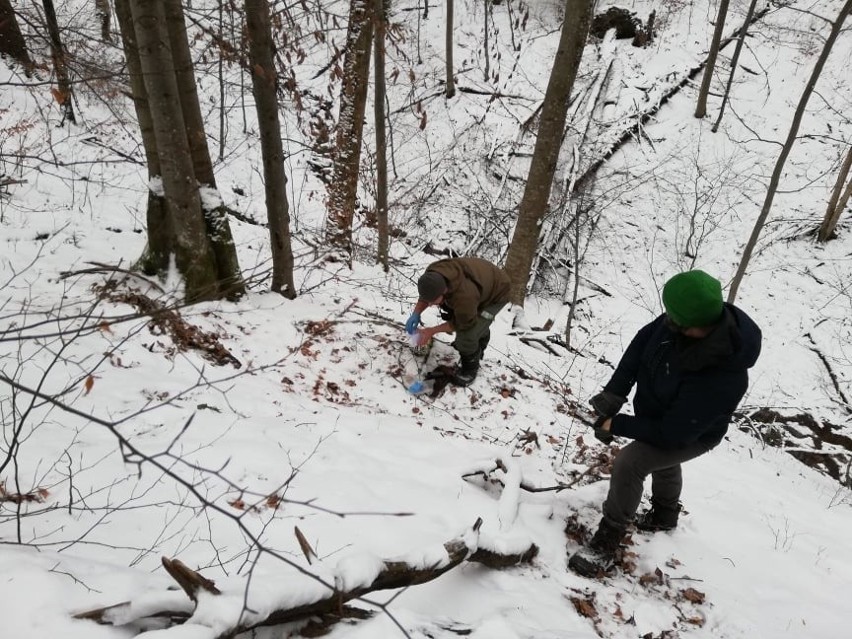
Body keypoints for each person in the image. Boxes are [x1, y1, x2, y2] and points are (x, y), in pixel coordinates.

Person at [568, 269, 762, 577]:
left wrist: (616, 425)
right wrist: (614, 392)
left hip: (694, 432)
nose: (667, 322)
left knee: (633, 461)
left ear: (700, 325)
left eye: (676, 321)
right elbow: (640, 346)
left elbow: (672, 434)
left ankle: (607, 540)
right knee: (660, 457)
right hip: (658, 413)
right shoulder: (678, 320)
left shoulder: (724, 377)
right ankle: (665, 514)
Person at [405, 257, 511, 386]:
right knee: (469, 319)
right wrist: (416, 313)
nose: (431, 305)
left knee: (466, 335)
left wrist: (431, 331)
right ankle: (479, 335)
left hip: (498, 292)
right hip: (481, 284)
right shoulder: (433, 275)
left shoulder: (465, 296)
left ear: (444, 290)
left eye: (433, 301)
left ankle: (470, 369)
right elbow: (428, 293)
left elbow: (462, 323)